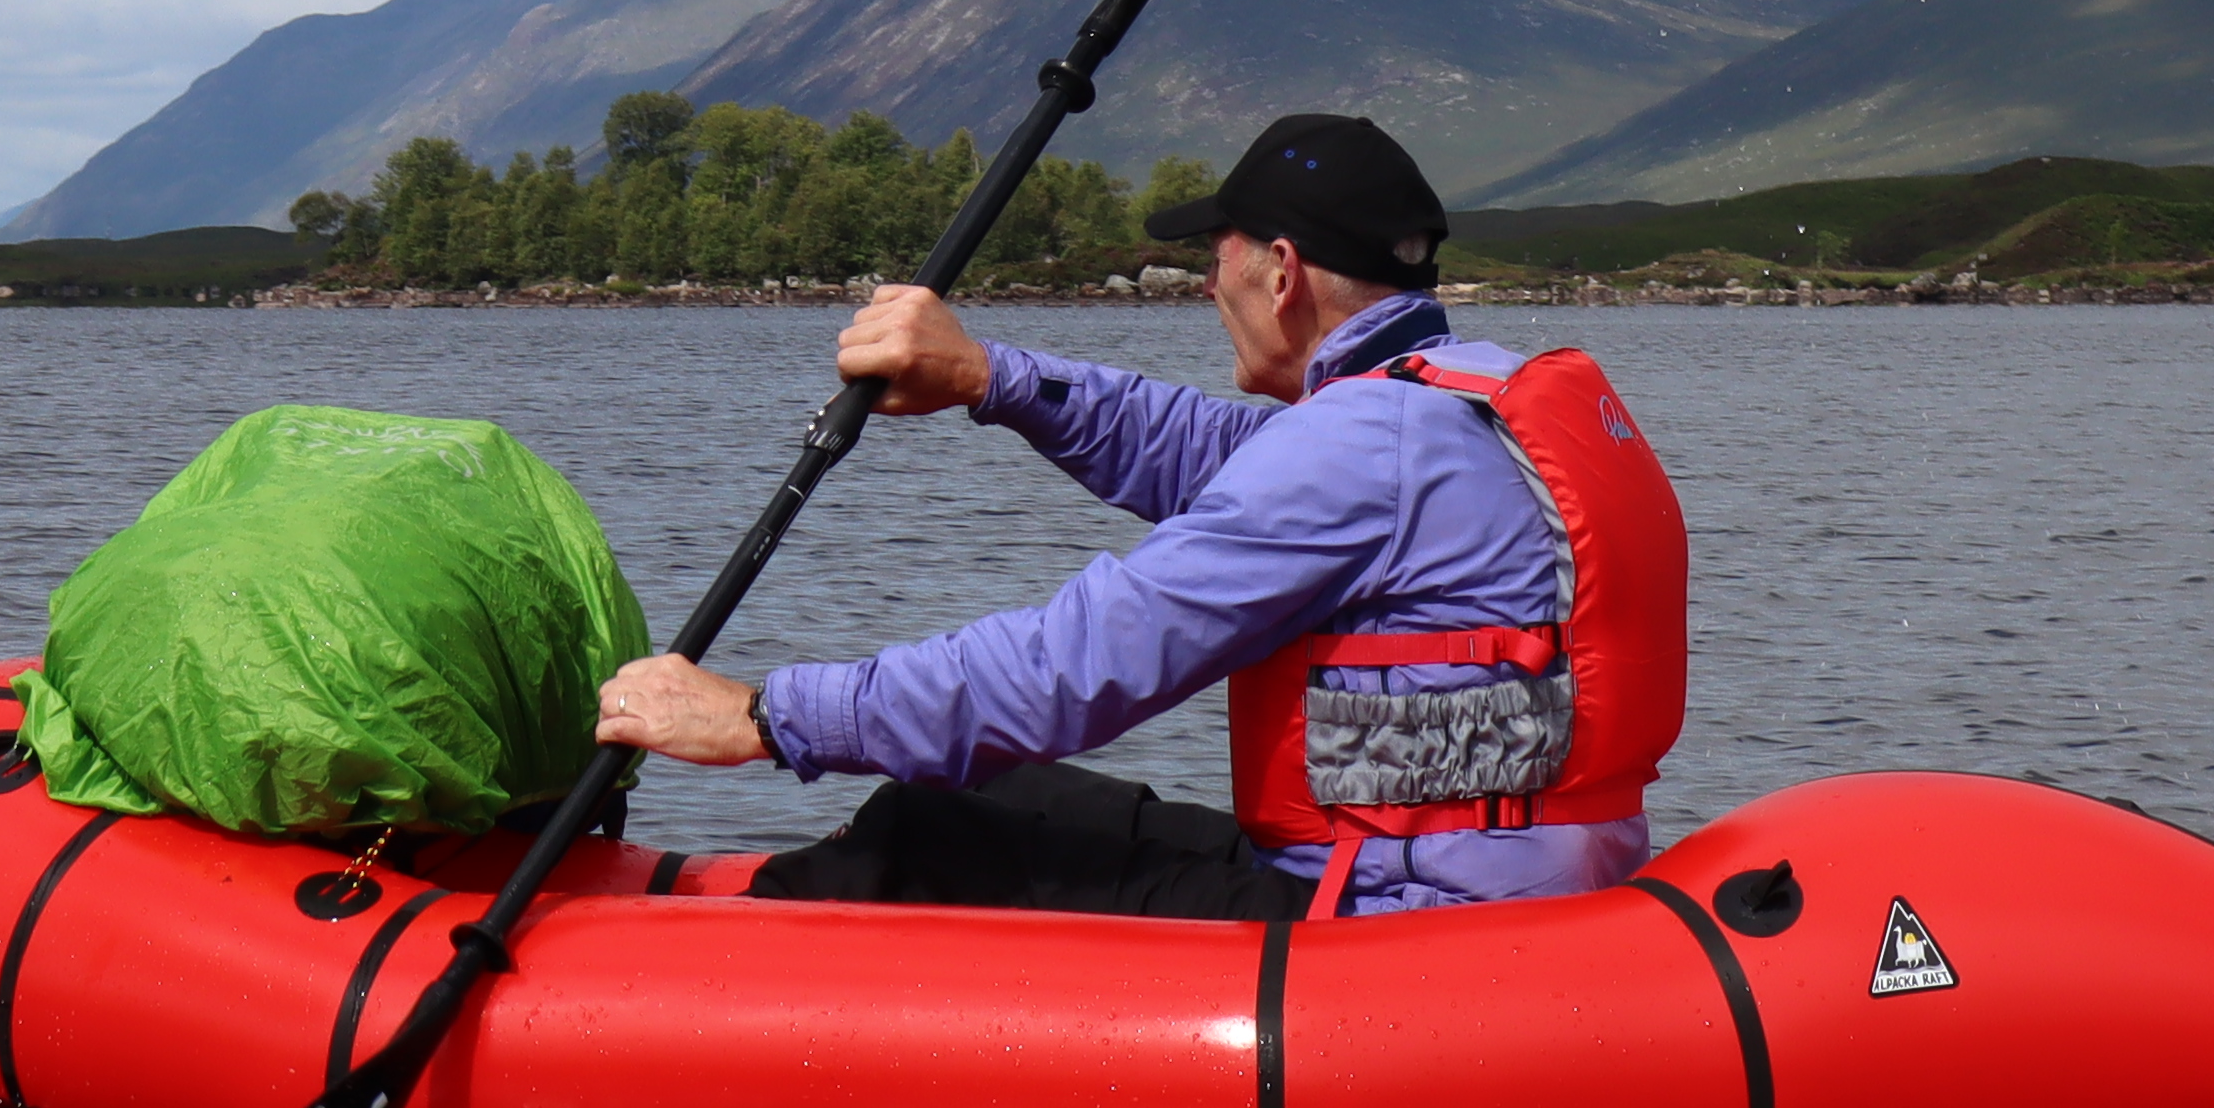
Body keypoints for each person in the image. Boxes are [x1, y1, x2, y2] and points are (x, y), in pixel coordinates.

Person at [594, 110, 1687, 919]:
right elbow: (1211, 454)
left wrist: (767, 717)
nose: (1208, 284)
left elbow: (1070, 668)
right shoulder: (1470, 399)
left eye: (1218, 257)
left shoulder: (1360, 447)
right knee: (1006, 798)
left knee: (927, 826)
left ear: (1282, 272)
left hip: (1399, 923)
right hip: (1536, 893)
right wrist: (988, 375)